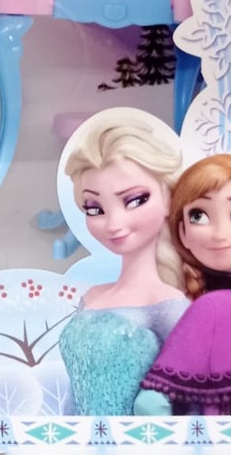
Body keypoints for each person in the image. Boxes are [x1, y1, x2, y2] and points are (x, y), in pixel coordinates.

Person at [57, 108, 189, 415]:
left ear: (168, 197)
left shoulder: (169, 305)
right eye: (94, 208)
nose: (114, 223)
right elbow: (75, 392)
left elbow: (190, 402)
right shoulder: (91, 297)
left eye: (135, 200)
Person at [136, 154, 231, 415]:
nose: (220, 234)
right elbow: (150, 404)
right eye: (198, 216)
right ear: (183, 233)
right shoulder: (213, 307)